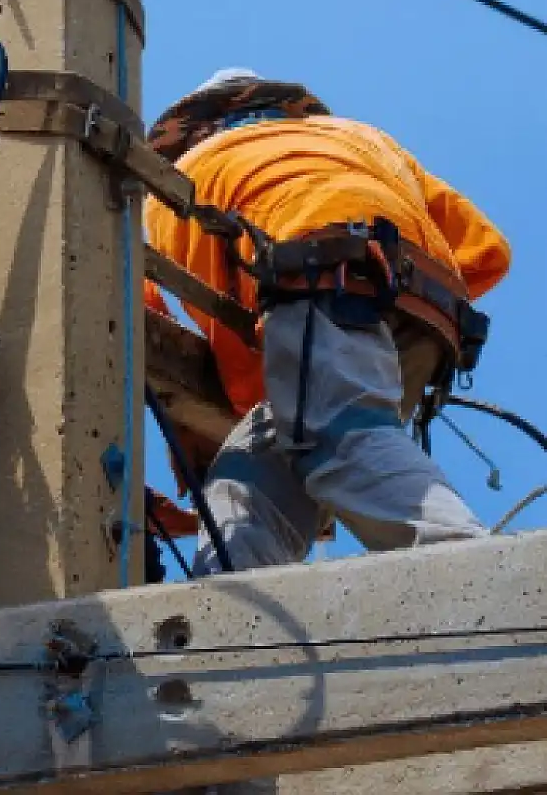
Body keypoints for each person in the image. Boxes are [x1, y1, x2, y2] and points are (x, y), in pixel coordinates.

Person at [143, 68, 510, 575]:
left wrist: (187, 446)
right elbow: (487, 250)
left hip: (319, 276)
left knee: (341, 436)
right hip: (431, 313)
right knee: (244, 477)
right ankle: (222, 622)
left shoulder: (175, 179)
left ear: (193, 128)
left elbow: (124, 306)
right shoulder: (362, 139)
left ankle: (486, 579)